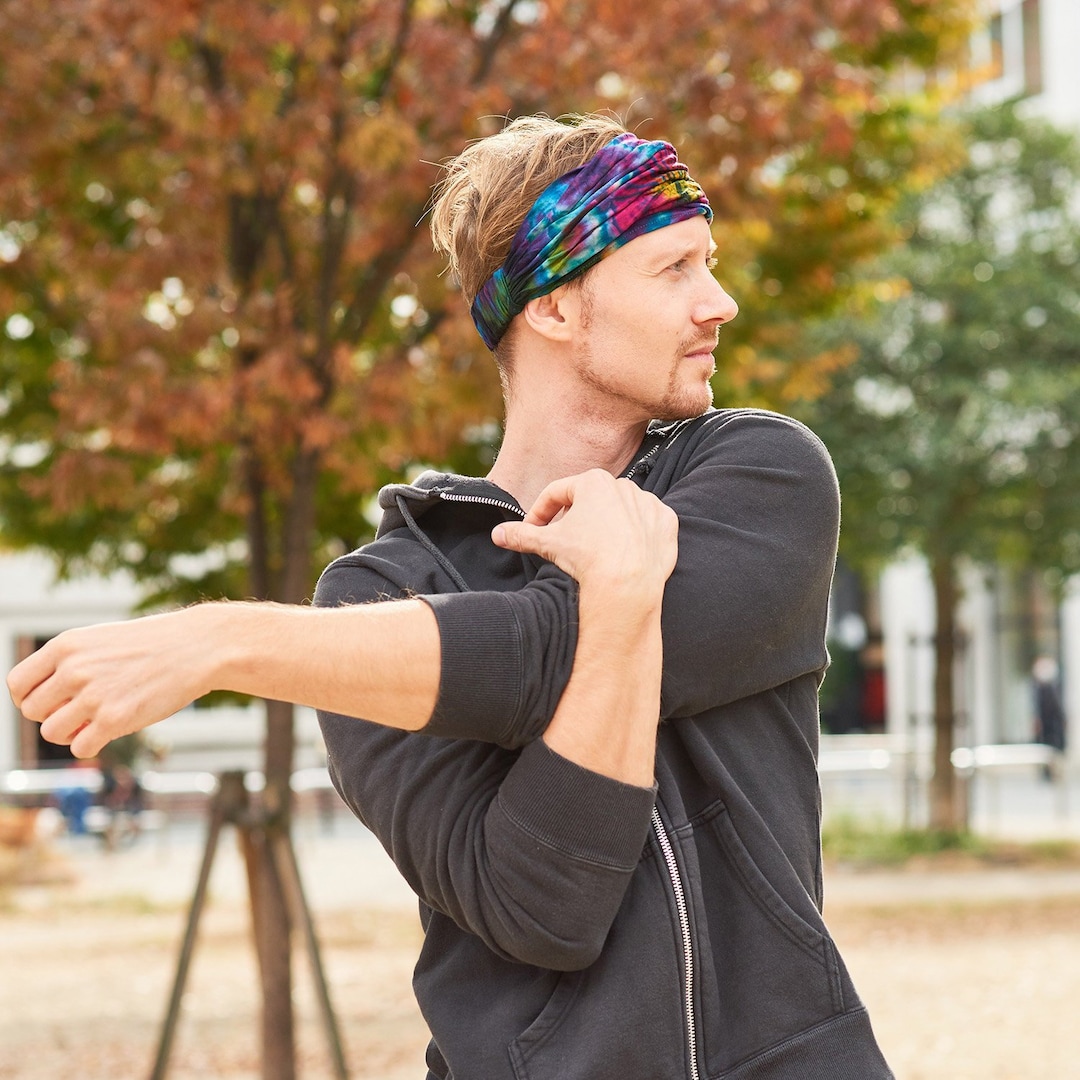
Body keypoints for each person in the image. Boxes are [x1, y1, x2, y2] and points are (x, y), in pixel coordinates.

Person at [7, 114, 893, 1078]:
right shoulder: (379, 593)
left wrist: (231, 642)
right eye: (674, 269)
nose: (717, 302)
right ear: (553, 307)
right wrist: (626, 597)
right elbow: (542, 909)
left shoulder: (760, 473)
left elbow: (541, 649)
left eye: (708, 263)